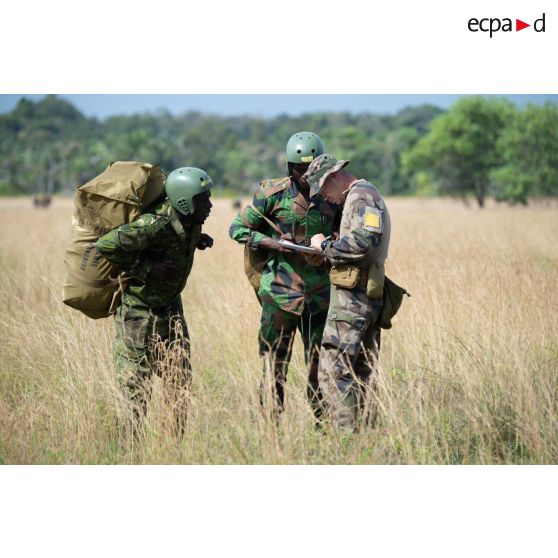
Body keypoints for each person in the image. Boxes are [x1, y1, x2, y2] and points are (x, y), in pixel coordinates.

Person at [229, 132, 338, 421]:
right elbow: (238, 228)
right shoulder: (271, 194)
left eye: (312, 169)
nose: (307, 175)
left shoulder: (333, 197)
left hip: (319, 297)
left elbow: (344, 235)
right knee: (273, 367)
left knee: (320, 368)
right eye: (301, 170)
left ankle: (323, 426)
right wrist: (271, 243)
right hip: (279, 295)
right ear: (290, 168)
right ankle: (272, 428)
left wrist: (328, 245)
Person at [95, 166, 214, 431]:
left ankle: (173, 449)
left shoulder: (191, 220)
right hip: (139, 313)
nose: (210, 204)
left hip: (171, 309)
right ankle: (130, 452)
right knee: (135, 385)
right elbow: (107, 245)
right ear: (184, 201)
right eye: (203, 199)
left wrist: (197, 241)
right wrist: (148, 269)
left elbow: (174, 241)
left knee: (179, 378)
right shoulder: (155, 224)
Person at [305, 154, 391, 431]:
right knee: (361, 372)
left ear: (332, 177)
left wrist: (324, 247)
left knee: (333, 372)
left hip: (353, 300)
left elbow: (365, 241)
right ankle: (366, 437)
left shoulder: (361, 195)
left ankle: (346, 441)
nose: (326, 198)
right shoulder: (364, 194)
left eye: (323, 190)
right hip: (365, 295)